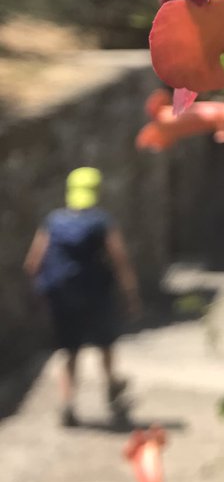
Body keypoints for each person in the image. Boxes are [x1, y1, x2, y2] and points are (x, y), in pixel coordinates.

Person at [24, 167, 141, 427]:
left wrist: (40, 295)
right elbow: (119, 258)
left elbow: (33, 262)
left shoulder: (53, 221)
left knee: (69, 351)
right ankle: (112, 388)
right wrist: (130, 293)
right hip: (97, 294)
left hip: (63, 298)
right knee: (105, 345)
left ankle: (68, 403)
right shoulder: (101, 222)